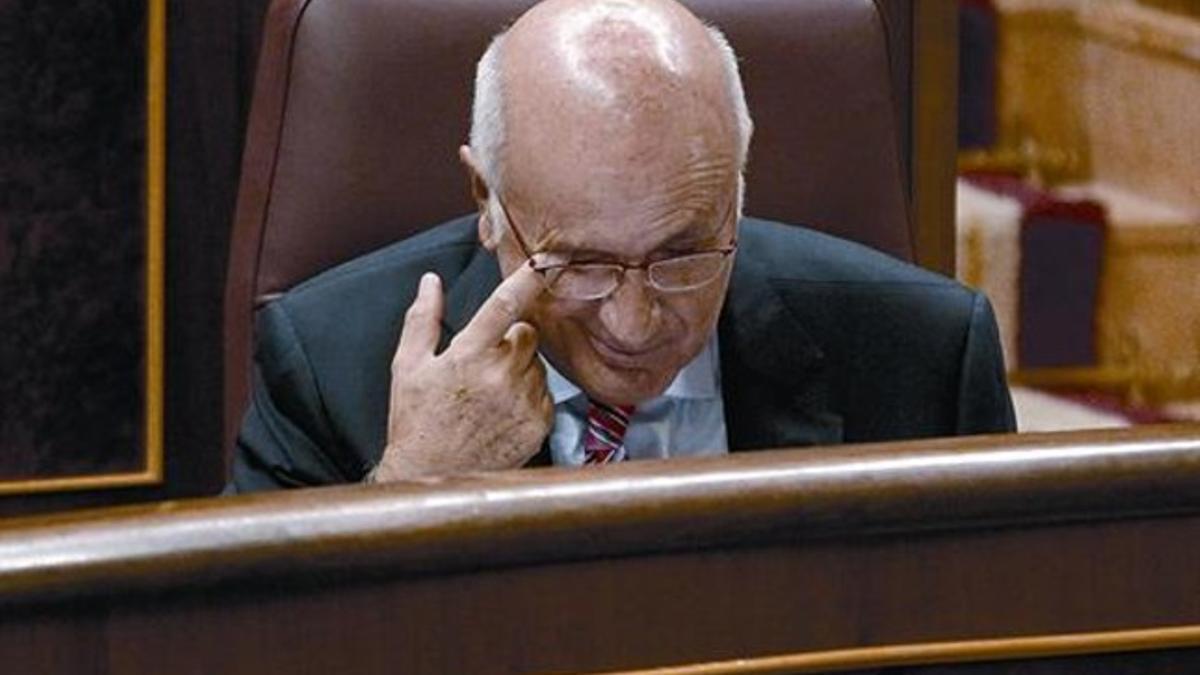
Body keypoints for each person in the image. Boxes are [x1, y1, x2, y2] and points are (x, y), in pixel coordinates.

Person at [228, 0, 1014, 492]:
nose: (635, 325)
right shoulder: (329, 365)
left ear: (737, 192)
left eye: (683, 256)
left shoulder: (925, 357)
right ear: (487, 204)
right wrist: (412, 489)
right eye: (582, 265)